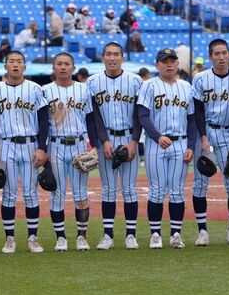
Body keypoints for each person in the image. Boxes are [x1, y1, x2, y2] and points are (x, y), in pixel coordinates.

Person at [136, 48, 198, 250]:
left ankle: (176, 235)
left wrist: (190, 145)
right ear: (157, 65)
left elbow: (191, 119)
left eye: (172, 60)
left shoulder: (186, 87)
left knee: (177, 191)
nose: (169, 64)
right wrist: (157, 136)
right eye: (164, 61)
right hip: (156, 143)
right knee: (156, 190)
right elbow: (143, 116)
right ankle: (155, 234)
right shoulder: (148, 86)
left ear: (177, 64)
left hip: (180, 143)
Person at [43, 52, 104, 251]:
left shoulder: (84, 90)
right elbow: (41, 123)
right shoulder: (45, 91)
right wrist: (42, 149)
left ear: (73, 67)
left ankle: (81, 237)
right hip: (55, 145)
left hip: (79, 145)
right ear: (53, 68)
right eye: (59, 63)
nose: (62, 67)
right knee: (57, 194)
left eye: (66, 64)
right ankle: (60, 237)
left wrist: (94, 144)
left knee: (80, 194)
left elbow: (91, 119)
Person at [0, 51, 49, 253]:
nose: (15, 64)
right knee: (9, 194)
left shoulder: (35, 89)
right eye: (11, 61)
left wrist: (42, 147)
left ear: (25, 66)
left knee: (31, 194)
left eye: (19, 61)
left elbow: (43, 119)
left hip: (31, 144)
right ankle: (10, 239)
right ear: (5, 66)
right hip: (6, 144)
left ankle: (33, 237)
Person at [190, 39, 229, 246]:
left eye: (224, 53)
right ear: (210, 56)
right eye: (217, 54)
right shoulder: (200, 79)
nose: (221, 57)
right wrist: (203, 137)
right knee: (200, 185)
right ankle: (202, 231)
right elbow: (197, 110)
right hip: (205, 133)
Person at [88, 42, 144, 250]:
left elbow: (140, 115)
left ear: (122, 57)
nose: (112, 58)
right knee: (109, 190)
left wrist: (134, 142)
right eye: (108, 54)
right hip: (107, 141)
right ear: (103, 57)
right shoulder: (93, 83)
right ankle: (108, 235)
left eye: (116, 54)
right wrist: (103, 141)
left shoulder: (136, 81)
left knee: (129, 190)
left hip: (129, 137)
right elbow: (94, 116)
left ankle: (131, 235)